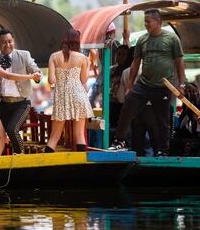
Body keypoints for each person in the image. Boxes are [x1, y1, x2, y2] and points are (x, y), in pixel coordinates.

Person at [110, 9, 185, 156]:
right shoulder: (143, 40)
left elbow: (179, 63)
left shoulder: (171, 39)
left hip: (164, 85)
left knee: (162, 120)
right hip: (144, 84)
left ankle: (163, 150)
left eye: (148, 21)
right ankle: (119, 140)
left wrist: (181, 85)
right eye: (145, 21)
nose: (146, 24)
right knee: (128, 106)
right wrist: (130, 86)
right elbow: (135, 64)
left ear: (158, 21)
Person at [0, 29, 42, 154]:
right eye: (3, 42)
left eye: (10, 41)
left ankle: (20, 156)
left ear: (13, 41)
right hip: (3, 103)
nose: (7, 45)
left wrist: (37, 75)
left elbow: (35, 69)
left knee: (12, 129)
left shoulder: (24, 55)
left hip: (22, 102)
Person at [44, 29, 94, 152]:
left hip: (61, 96)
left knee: (54, 136)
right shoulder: (83, 57)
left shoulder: (54, 56)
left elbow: (51, 80)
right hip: (78, 95)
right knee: (79, 135)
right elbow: (83, 79)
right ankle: (81, 167)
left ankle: (45, 165)